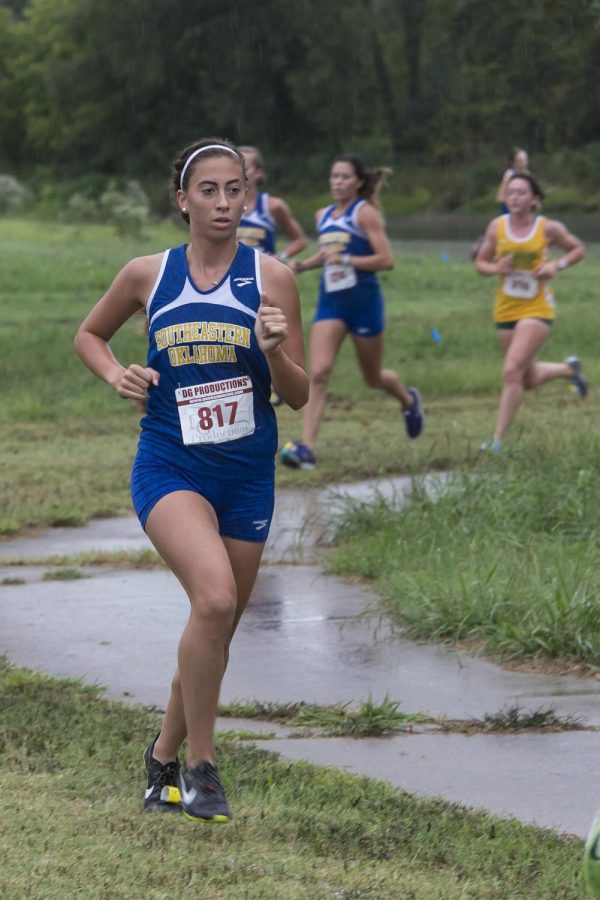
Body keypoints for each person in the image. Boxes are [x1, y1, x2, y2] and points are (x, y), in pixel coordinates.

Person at [74, 138, 308, 822]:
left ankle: (161, 758)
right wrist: (116, 372)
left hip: (246, 474)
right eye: (208, 190)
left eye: (235, 189)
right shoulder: (149, 275)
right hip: (170, 464)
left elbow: (295, 395)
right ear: (182, 199)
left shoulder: (274, 278)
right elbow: (90, 335)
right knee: (212, 601)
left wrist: (275, 353)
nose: (224, 203)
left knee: (217, 625)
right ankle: (203, 768)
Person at [279, 153, 423, 470]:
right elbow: (328, 253)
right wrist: (305, 265)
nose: (338, 182)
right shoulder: (322, 215)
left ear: (358, 182)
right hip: (331, 302)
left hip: (364, 303)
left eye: (344, 177)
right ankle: (307, 448)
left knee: (372, 378)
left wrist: (347, 261)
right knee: (318, 372)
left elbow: (386, 260)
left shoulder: (366, 214)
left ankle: (409, 400)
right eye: (334, 176)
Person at [475, 171, 586, 453]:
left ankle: (497, 441)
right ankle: (568, 369)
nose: (514, 197)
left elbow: (577, 250)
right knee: (527, 378)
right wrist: (495, 268)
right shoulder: (496, 227)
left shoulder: (548, 228)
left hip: (537, 308)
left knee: (511, 371)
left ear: (534, 199)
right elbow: (481, 264)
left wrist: (555, 266)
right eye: (510, 193)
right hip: (505, 308)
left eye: (521, 193)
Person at [237, 146, 308, 408]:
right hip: (232, 281)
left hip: (265, 284)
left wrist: (281, 258)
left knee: (268, 336)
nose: (242, 173)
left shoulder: (273, 205)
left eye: (247, 167)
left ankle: (275, 382)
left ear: (258, 173)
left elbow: (300, 239)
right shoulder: (227, 205)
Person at [496, 147, 529, 214]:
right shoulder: (509, 174)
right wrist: (517, 201)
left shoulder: (527, 174)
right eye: (520, 160)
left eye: (525, 159)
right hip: (509, 214)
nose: (524, 162)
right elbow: (500, 198)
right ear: (514, 162)